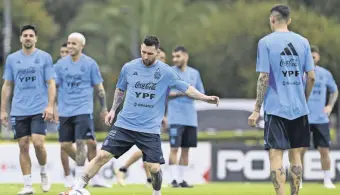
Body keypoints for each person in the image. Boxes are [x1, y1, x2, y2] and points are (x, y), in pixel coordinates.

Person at [59, 35, 219, 195]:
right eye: (143, 52)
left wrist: (205, 98)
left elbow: (187, 88)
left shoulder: (166, 72)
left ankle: (156, 192)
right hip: (124, 125)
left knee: (155, 168)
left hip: (149, 129)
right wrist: (113, 110)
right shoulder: (129, 67)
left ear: (157, 52)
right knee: (102, 155)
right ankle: (77, 188)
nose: (145, 56)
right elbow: (120, 89)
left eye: (149, 53)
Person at [247, 5, 316, 195]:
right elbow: (311, 77)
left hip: (276, 108)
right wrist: (304, 99)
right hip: (299, 108)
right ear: (289, 21)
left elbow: (264, 77)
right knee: (296, 156)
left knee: (276, 155)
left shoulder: (265, 42)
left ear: (272, 20)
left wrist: (256, 109)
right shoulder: (303, 42)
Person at [0, 24, 56, 194]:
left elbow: (51, 83)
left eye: (31, 35)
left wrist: (50, 105)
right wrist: (3, 110)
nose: (28, 38)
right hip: (19, 109)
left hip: (39, 108)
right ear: (20, 38)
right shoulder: (12, 59)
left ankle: (44, 172)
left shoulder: (44, 57)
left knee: (38, 144)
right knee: (23, 145)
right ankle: (27, 186)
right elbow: (7, 85)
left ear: (36, 38)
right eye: (25, 35)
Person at [54, 32, 110, 189]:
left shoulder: (90, 64)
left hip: (83, 109)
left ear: (82, 46)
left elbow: (99, 87)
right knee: (65, 145)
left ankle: (79, 183)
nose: (70, 46)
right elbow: (53, 86)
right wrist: (51, 107)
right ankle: (88, 167)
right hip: (65, 111)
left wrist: (104, 108)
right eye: (69, 43)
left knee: (81, 143)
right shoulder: (60, 65)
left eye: (74, 43)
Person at [115, 47, 168, 187]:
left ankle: (148, 179)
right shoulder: (146, 74)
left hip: (154, 119)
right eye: (160, 57)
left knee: (147, 153)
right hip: (144, 120)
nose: (162, 61)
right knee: (145, 150)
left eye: (163, 59)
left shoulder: (165, 74)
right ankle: (123, 168)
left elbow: (161, 100)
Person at [300, 46, 338, 189]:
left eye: (314, 57)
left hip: (321, 119)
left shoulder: (325, 74)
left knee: (324, 150)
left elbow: (334, 91)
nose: (312, 59)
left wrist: (329, 106)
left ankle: (327, 180)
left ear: (318, 57)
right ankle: (299, 180)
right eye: (310, 57)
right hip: (303, 118)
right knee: (300, 150)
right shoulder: (300, 74)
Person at [168, 46, 204, 188]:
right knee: (174, 148)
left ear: (186, 57)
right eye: (173, 57)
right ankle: (173, 179)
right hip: (175, 117)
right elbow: (163, 93)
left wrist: (199, 95)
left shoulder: (195, 73)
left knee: (186, 149)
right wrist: (181, 93)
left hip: (190, 118)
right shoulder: (169, 72)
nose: (175, 59)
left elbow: (201, 93)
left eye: (178, 56)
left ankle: (182, 179)